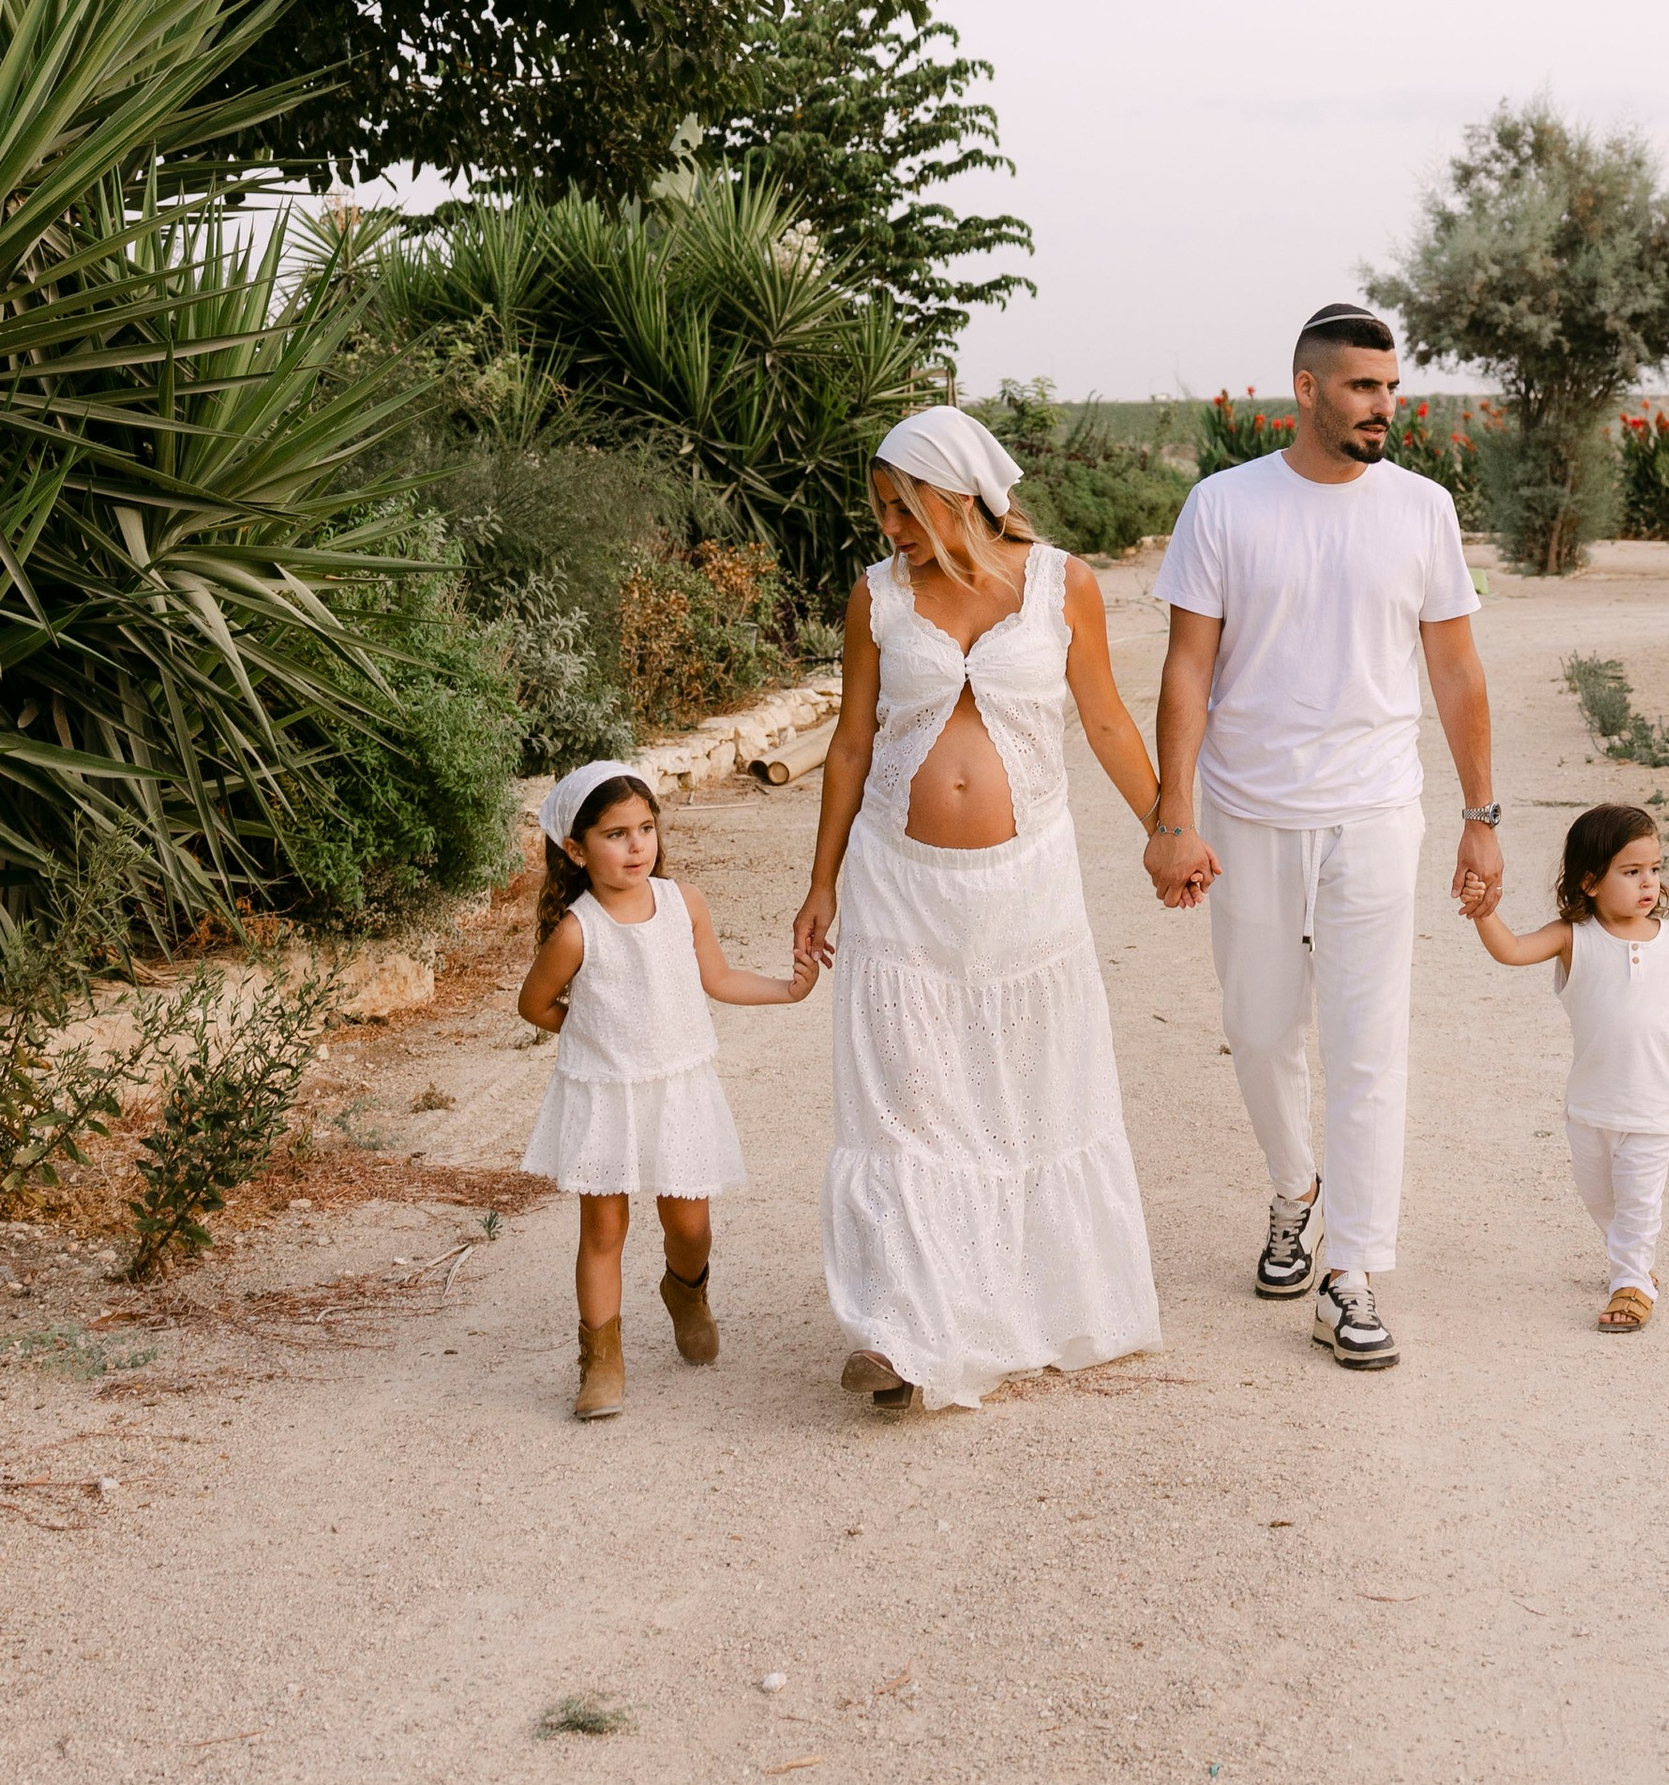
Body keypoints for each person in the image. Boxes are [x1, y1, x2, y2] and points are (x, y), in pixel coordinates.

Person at [1148, 302, 1501, 1375]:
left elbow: (1454, 671)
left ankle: (1350, 1270)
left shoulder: (1421, 509)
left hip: (1377, 812)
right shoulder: (1224, 507)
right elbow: (1187, 671)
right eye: (1361, 389)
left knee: (1366, 1044)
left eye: (1390, 389)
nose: (1383, 408)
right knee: (1259, 1032)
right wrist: (1173, 816)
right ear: (1304, 391)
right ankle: (1295, 1187)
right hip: (1250, 810)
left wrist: (1480, 818)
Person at [791, 406, 1164, 1413]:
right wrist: (820, 882)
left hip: (1027, 884)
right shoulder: (875, 597)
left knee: (1021, 1092)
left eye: (901, 511)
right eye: (879, 513)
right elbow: (852, 747)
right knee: (907, 1102)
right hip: (897, 885)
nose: (889, 531)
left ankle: (1017, 1302)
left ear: (956, 496)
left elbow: (1106, 722)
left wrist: (1165, 826)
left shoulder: (1061, 585)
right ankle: (897, 1329)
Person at [518, 764, 819, 1422]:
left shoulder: (685, 902)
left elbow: (718, 977)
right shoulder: (578, 930)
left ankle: (687, 1290)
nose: (636, 847)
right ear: (576, 849)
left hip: (679, 1087)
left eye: (646, 829)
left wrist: (787, 989)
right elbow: (535, 1004)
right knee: (603, 1228)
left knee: (689, 1223)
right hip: (607, 1095)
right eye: (616, 834)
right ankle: (600, 1359)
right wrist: (594, 1038)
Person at [1470, 802, 1669, 1332]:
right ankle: (1633, 1255)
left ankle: (1631, 1280)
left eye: (1654, 869)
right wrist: (1485, 910)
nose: (1648, 883)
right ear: (1589, 881)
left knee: (1638, 1195)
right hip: (1592, 1104)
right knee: (1601, 1197)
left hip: (1655, 1101)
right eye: (1631, 872)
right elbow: (1510, 951)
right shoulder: (1572, 937)